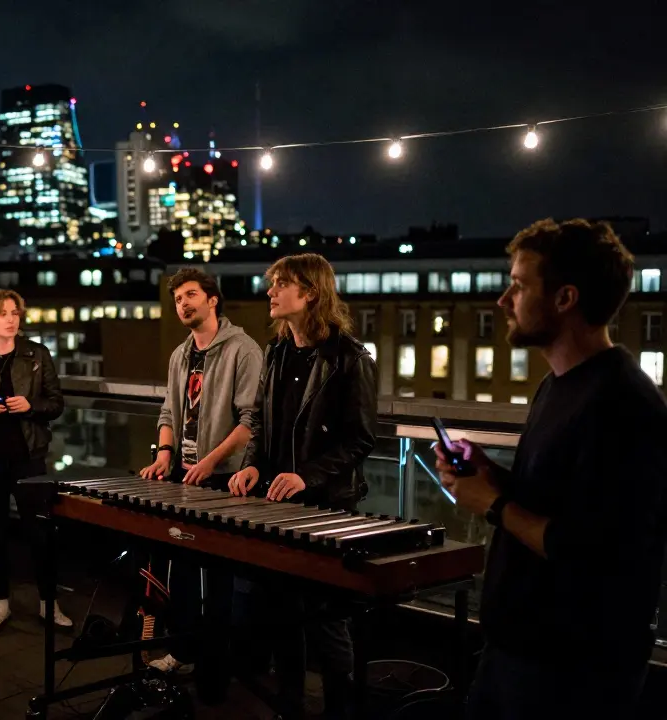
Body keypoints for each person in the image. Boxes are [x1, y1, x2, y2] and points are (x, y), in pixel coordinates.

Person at [434, 219, 667, 720]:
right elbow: (552, 495)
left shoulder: (625, 404)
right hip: (518, 650)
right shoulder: (558, 385)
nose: (503, 300)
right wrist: (488, 473)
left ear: (565, 298)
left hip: (572, 671)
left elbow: (591, 549)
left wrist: (491, 504)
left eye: (518, 285)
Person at [227, 254, 378, 719]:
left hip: (328, 508)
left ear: (310, 292)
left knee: (329, 623)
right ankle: (289, 708)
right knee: (283, 618)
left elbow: (361, 438)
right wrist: (254, 465)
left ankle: (340, 712)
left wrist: (306, 476)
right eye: (272, 284)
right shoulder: (276, 353)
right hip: (278, 505)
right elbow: (261, 424)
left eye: (281, 284)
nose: (270, 292)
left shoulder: (349, 357)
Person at [137, 267, 262, 684]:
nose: (183, 303)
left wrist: (211, 461)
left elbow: (251, 420)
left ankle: (217, 663)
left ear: (213, 299)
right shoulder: (180, 354)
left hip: (225, 480)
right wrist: (165, 453)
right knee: (182, 572)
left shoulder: (243, 349)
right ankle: (182, 651)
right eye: (177, 299)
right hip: (183, 479)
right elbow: (169, 412)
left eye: (191, 294)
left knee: (220, 581)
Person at [0, 289, 71, 633]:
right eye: (3, 313)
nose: (11, 319)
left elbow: (57, 403)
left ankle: (49, 603)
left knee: (40, 532)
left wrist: (29, 406)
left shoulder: (36, 355)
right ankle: (0, 602)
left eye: (15, 313)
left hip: (28, 457)